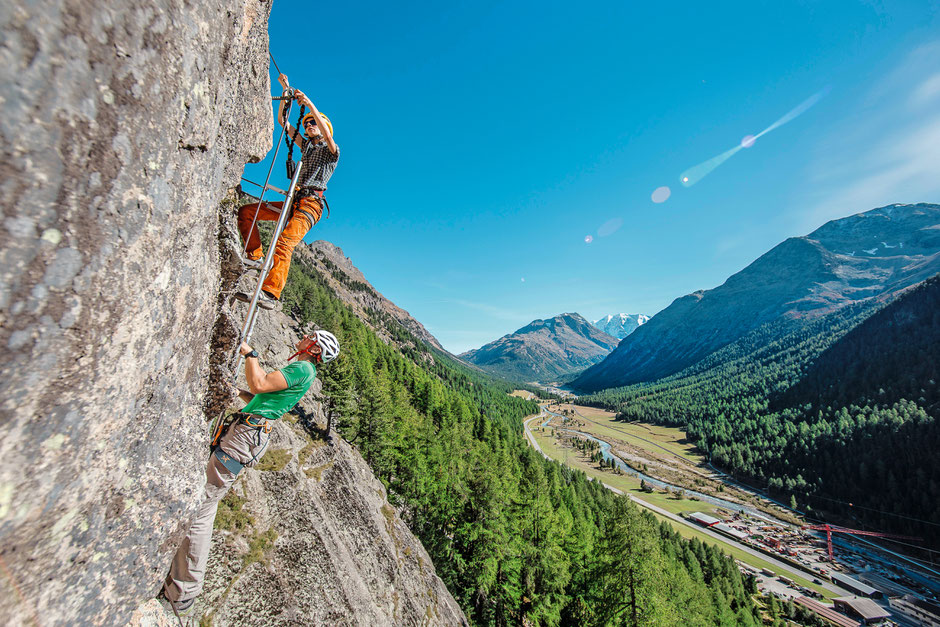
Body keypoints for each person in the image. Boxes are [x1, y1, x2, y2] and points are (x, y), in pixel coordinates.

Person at [161, 330, 340, 614]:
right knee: (205, 503)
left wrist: (250, 354)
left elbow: (259, 384)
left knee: (202, 506)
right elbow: (264, 399)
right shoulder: (306, 371)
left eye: (310, 336)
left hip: (245, 437)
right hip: (249, 432)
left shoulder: (302, 367)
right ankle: (182, 582)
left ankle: (184, 589)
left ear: (314, 347)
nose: (304, 335)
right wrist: (237, 393)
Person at [235, 73, 340, 310]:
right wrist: (285, 91)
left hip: (311, 205)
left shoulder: (331, 152)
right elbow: (284, 122)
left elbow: (326, 134)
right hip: (295, 201)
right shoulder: (307, 147)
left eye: (313, 122)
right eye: (307, 123)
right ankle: (254, 256)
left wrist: (310, 105)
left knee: (284, 244)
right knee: (247, 212)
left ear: (324, 127)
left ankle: (271, 294)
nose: (308, 125)